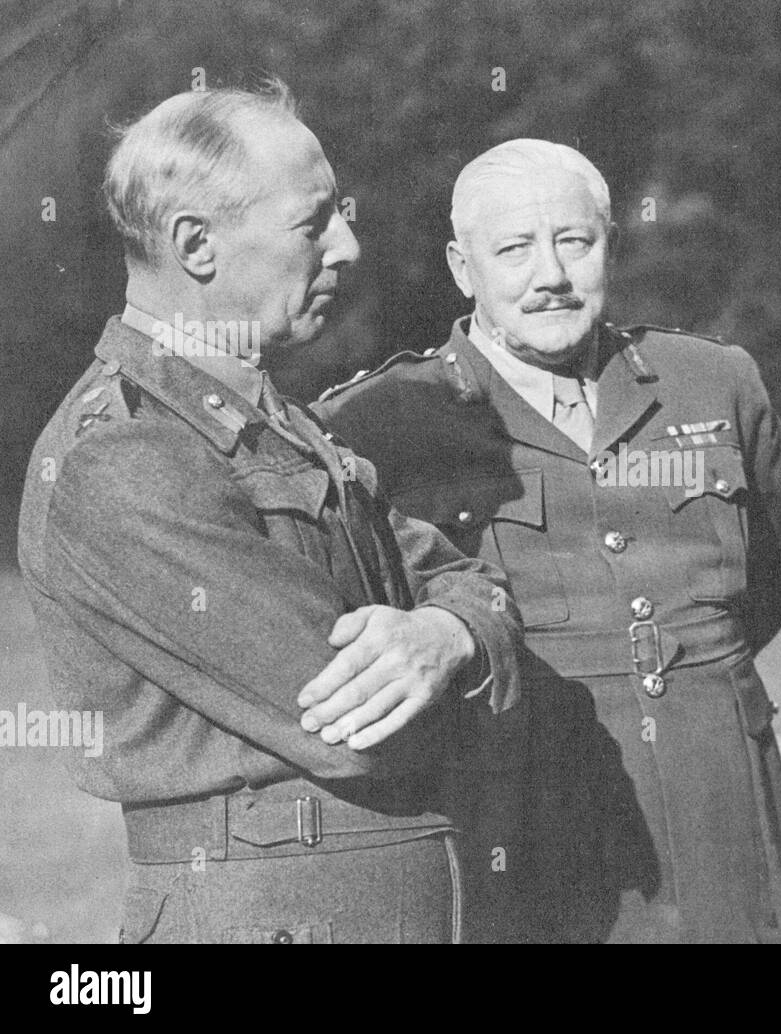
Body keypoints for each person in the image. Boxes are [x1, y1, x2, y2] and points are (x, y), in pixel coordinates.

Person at [18, 82, 523, 944]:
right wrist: (466, 641)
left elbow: (459, 581)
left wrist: (452, 636)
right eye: (313, 222)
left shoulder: (273, 421)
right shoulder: (123, 457)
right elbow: (357, 723)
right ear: (196, 245)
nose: (349, 246)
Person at [316, 138, 781, 943]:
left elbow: (768, 583)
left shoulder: (715, 381)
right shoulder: (378, 426)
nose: (549, 274)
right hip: (537, 848)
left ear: (609, 247)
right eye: (513, 249)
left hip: (725, 827)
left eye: (573, 242)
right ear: (460, 266)